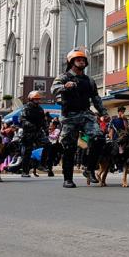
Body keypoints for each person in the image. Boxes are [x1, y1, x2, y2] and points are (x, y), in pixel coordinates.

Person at [51, 49, 109, 188]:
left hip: (85, 114)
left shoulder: (89, 80)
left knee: (99, 138)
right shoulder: (64, 77)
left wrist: (103, 113)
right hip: (69, 116)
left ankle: (89, 169)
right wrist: (64, 86)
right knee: (69, 147)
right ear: (71, 62)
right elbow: (54, 88)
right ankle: (68, 179)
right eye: (78, 60)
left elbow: (96, 98)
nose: (81, 62)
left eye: (83, 60)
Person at [19, 91, 51, 178]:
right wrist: (29, 124)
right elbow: (22, 119)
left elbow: (43, 121)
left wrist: (46, 128)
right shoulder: (26, 108)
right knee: (27, 151)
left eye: (38, 99)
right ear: (31, 99)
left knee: (47, 144)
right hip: (28, 132)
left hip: (38, 131)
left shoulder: (40, 109)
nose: (37, 101)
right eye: (35, 99)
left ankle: (42, 165)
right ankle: (25, 171)